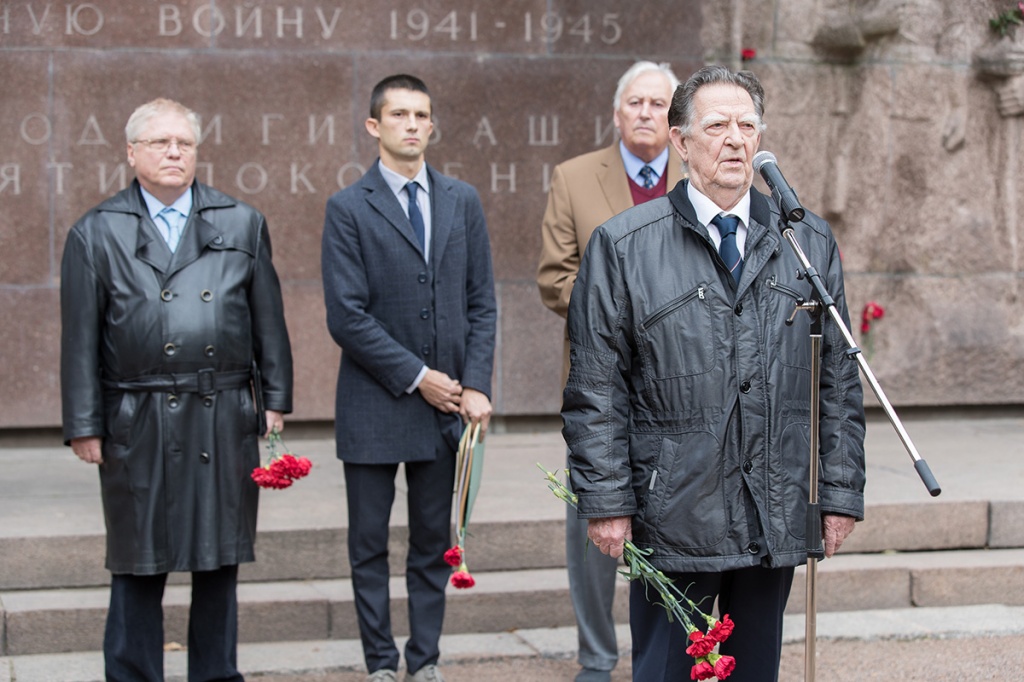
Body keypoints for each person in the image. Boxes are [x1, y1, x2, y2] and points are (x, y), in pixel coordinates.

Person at [560, 65, 867, 682]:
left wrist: (838, 493)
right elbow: (596, 387)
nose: (736, 140)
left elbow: (837, 380)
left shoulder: (804, 241)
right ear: (680, 141)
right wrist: (606, 500)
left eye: (748, 125)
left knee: (756, 673)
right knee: (665, 673)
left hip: (774, 506)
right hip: (673, 509)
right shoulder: (623, 245)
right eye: (717, 125)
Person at [60, 97, 293, 681]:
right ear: (131, 152)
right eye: (160, 142)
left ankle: (216, 675)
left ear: (196, 152)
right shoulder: (96, 231)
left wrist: (275, 399)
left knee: (218, 561)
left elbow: (269, 319)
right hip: (136, 417)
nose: (173, 152)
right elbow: (80, 339)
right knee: (139, 561)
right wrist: (84, 424)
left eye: (183, 143)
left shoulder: (241, 222)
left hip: (222, 411)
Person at [320, 74, 496, 682]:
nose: (413, 125)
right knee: (368, 546)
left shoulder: (462, 200)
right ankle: (379, 664)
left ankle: (424, 662)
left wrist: (476, 383)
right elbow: (346, 315)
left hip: (445, 410)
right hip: (375, 404)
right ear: (375, 126)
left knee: (430, 546)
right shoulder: (347, 208)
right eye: (399, 115)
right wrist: (419, 375)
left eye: (422, 114)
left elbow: (481, 301)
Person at [536, 60, 682, 682]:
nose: (646, 112)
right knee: (594, 524)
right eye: (635, 103)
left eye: (658, 103)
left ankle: (670, 651)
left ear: (675, 119)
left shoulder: (699, 174)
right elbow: (553, 277)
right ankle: (597, 658)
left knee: (676, 525)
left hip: (682, 384)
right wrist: (627, 312)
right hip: (604, 385)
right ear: (617, 113)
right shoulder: (574, 178)